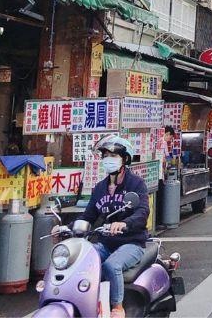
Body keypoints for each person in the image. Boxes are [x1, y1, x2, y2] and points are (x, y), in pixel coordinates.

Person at [81, 136, 150, 318]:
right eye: (105, 155)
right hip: (106, 243)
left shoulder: (136, 184)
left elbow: (142, 212)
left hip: (132, 243)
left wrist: (125, 224)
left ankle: (117, 307)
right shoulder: (99, 188)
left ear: (124, 159)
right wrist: (67, 227)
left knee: (112, 265)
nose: (108, 159)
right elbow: (88, 216)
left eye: (113, 155)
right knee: (83, 260)